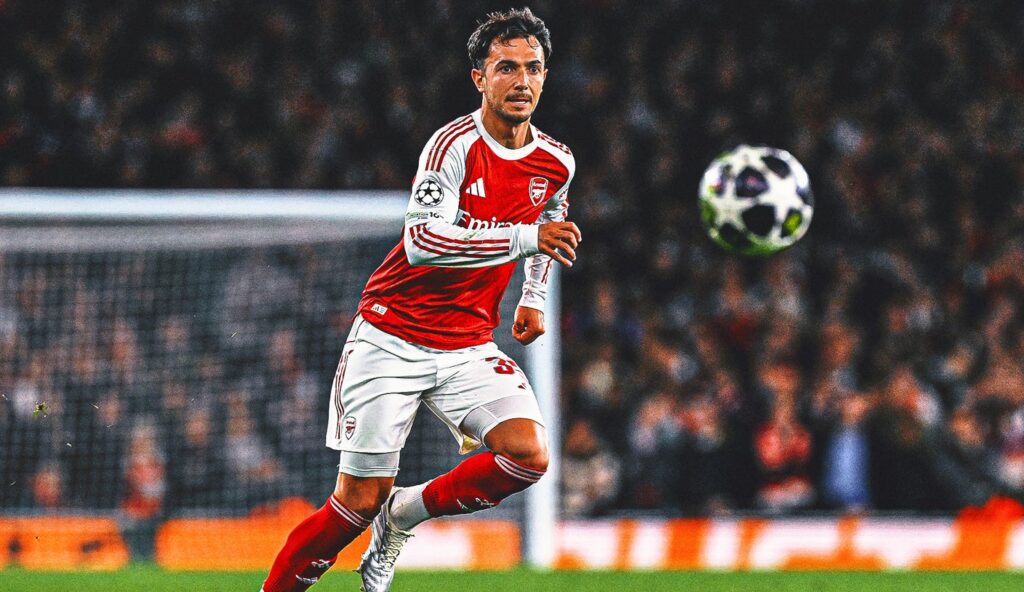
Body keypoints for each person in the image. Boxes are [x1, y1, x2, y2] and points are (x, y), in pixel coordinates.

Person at [261, 8, 580, 592]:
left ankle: (405, 513)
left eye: (533, 68)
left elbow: (551, 219)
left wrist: (532, 294)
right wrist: (525, 238)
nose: (522, 81)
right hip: (393, 336)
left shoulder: (556, 161)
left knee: (528, 456)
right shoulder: (452, 146)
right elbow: (423, 242)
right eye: (506, 67)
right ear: (479, 78)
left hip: (467, 344)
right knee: (356, 502)